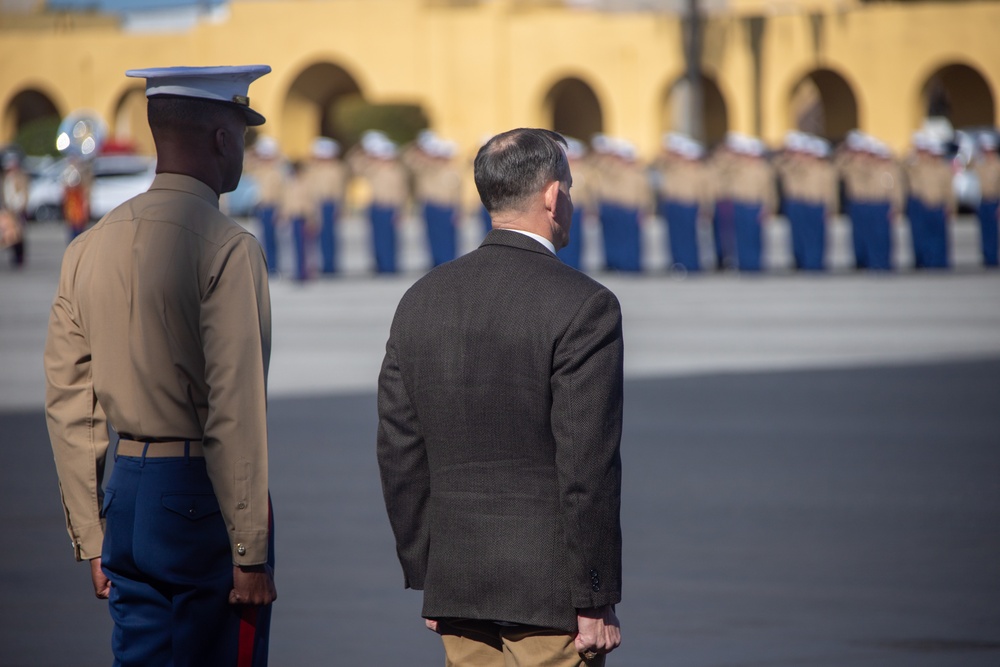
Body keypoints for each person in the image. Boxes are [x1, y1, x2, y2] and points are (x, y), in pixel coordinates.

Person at [44, 65, 277, 666]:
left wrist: (91, 533)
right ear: (223, 139)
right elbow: (235, 408)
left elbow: (71, 405)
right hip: (200, 497)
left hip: (127, 493)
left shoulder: (87, 247)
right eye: (242, 135)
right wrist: (249, 551)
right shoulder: (227, 246)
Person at [377, 128, 623, 666]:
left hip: (459, 584)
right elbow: (587, 467)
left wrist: (428, 573)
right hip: (549, 597)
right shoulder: (584, 305)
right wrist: (595, 595)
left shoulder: (422, 298)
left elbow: (400, 451)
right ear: (553, 196)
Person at [304, 137, 347, 274]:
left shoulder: (337, 169)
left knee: (330, 236)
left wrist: (341, 207)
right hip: (315, 204)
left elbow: (341, 190)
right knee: (316, 236)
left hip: (330, 203)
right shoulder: (312, 169)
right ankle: (319, 264)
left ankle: (330, 265)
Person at [973, 133, 1000, 267]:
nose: (987, 153)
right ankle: (986, 257)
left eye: (989, 150)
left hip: (995, 201)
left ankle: (993, 258)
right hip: (982, 201)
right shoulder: (980, 165)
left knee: (994, 233)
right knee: (984, 232)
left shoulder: (998, 165)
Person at [1, 152, 28, 267]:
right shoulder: (5, 179)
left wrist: (19, 206)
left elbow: (23, 195)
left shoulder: (21, 177)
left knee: (19, 233)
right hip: (8, 209)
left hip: (17, 209)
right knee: (9, 234)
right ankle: (14, 255)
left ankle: (19, 257)